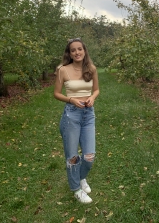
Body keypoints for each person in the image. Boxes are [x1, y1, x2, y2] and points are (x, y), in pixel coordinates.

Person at [54, 38, 99, 203]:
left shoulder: (91, 69)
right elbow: (57, 93)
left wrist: (93, 98)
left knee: (89, 156)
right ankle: (76, 189)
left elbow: (96, 90)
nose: (77, 52)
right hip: (71, 115)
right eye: (73, 50)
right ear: (69, 53)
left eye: (80, 49)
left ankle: (80, 177)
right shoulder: (63, 70)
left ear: (84, 50)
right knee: (73, 156)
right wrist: (71, 100)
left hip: (88, 114)